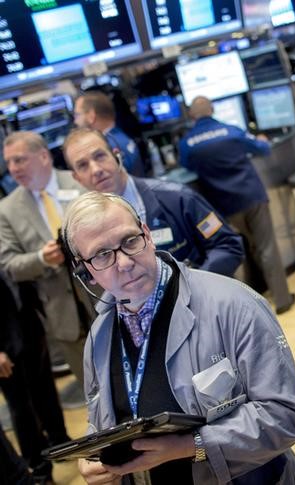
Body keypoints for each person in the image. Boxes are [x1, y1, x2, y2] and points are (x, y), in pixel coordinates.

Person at [63, 192, 295, 484]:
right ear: (85, 270)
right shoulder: (98, 340)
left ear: (147, 235)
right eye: (102, 255)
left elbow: (287, 415)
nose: (125, 263)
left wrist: (192, 445)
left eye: (130, 241)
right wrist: (94, 458)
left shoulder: (234, 304)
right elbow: (101, 421)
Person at [62, 127, 244, 277]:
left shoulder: (178, 198)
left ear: (116, 155)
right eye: (83, 165)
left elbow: (227, 245)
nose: (96, 169)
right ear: (77, 178)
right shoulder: (90, 231)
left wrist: (192, 286)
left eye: (100, 156)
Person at [178, 96, 295, 315]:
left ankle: (246, 305)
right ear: (212, 110)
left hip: (222, 207)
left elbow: (185, 165)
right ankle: (282, 299)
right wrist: (261, 139)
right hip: (251, 197)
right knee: (266, 247)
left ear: (192, 115)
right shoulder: (231, 131)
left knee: (234, 251)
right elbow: (263, 149)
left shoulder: (187, 144)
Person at [0, 131, 93, 383]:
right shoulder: (7, 210)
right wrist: (41, 259)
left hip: (106, 299)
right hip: (64, 319)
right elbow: (8, 266)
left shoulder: (80, 182)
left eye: (19, 160)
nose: (13, 168)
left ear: (43, 156)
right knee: (95, 394)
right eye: (8, 162)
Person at [0, 273, 70, 483]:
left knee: (45, 389)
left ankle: (59, 443)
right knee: (22, 408)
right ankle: (39, 468)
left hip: (26, 323)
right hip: (4, 344)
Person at [74, 91, 145, 177]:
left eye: (77, 115)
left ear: (91, 116)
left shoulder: (108, 147)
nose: (75, 121)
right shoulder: (120, 137)